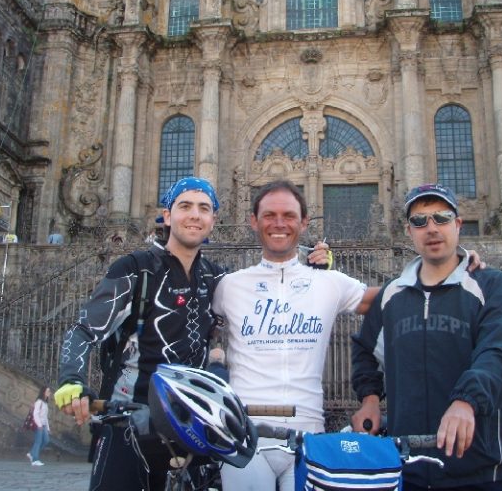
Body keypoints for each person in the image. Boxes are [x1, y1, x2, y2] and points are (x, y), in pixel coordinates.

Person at [53, 177, 328, 491]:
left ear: (213, 220)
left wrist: (313, 271)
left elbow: (273, 304)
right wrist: (71, 379)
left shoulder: (216, 278)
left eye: (204, 208)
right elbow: (85, 330)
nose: (194, 215)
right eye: (185, 206)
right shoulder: (133, 269)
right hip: (127, 423)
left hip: (190, 425)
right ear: (167, 216)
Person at [211, 180, 485, 491]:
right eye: (269, 215)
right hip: (246, 433)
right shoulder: (229, 286)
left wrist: (452, 265)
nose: (278, 223)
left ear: (303, 223)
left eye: (288, 215)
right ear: (253, 221)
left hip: (308, 437)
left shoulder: (329, 283)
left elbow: (398, 298)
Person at [351, 183, 502, 491]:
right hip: (412, 469)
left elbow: (499, 355)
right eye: (420, 221)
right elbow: (364, 350)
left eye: (442, 218)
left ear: (458, 224)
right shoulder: (391, 296)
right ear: (409, 231)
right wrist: (370, 399)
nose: (431, 228)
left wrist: (466, 401)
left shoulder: (492, 286)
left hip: (491, 470)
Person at [27, 385, 51, 467]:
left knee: (46, 440)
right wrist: (39, 425)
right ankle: (35, 460)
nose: (49, 393)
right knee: (38, 442)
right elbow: (35, 414)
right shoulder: (39, 402)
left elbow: (45, 417)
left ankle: (32, 453)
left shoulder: (45, 403)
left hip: (43, 425)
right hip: (39, 425)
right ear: (43, 392)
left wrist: (47, 428)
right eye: (48, 391)